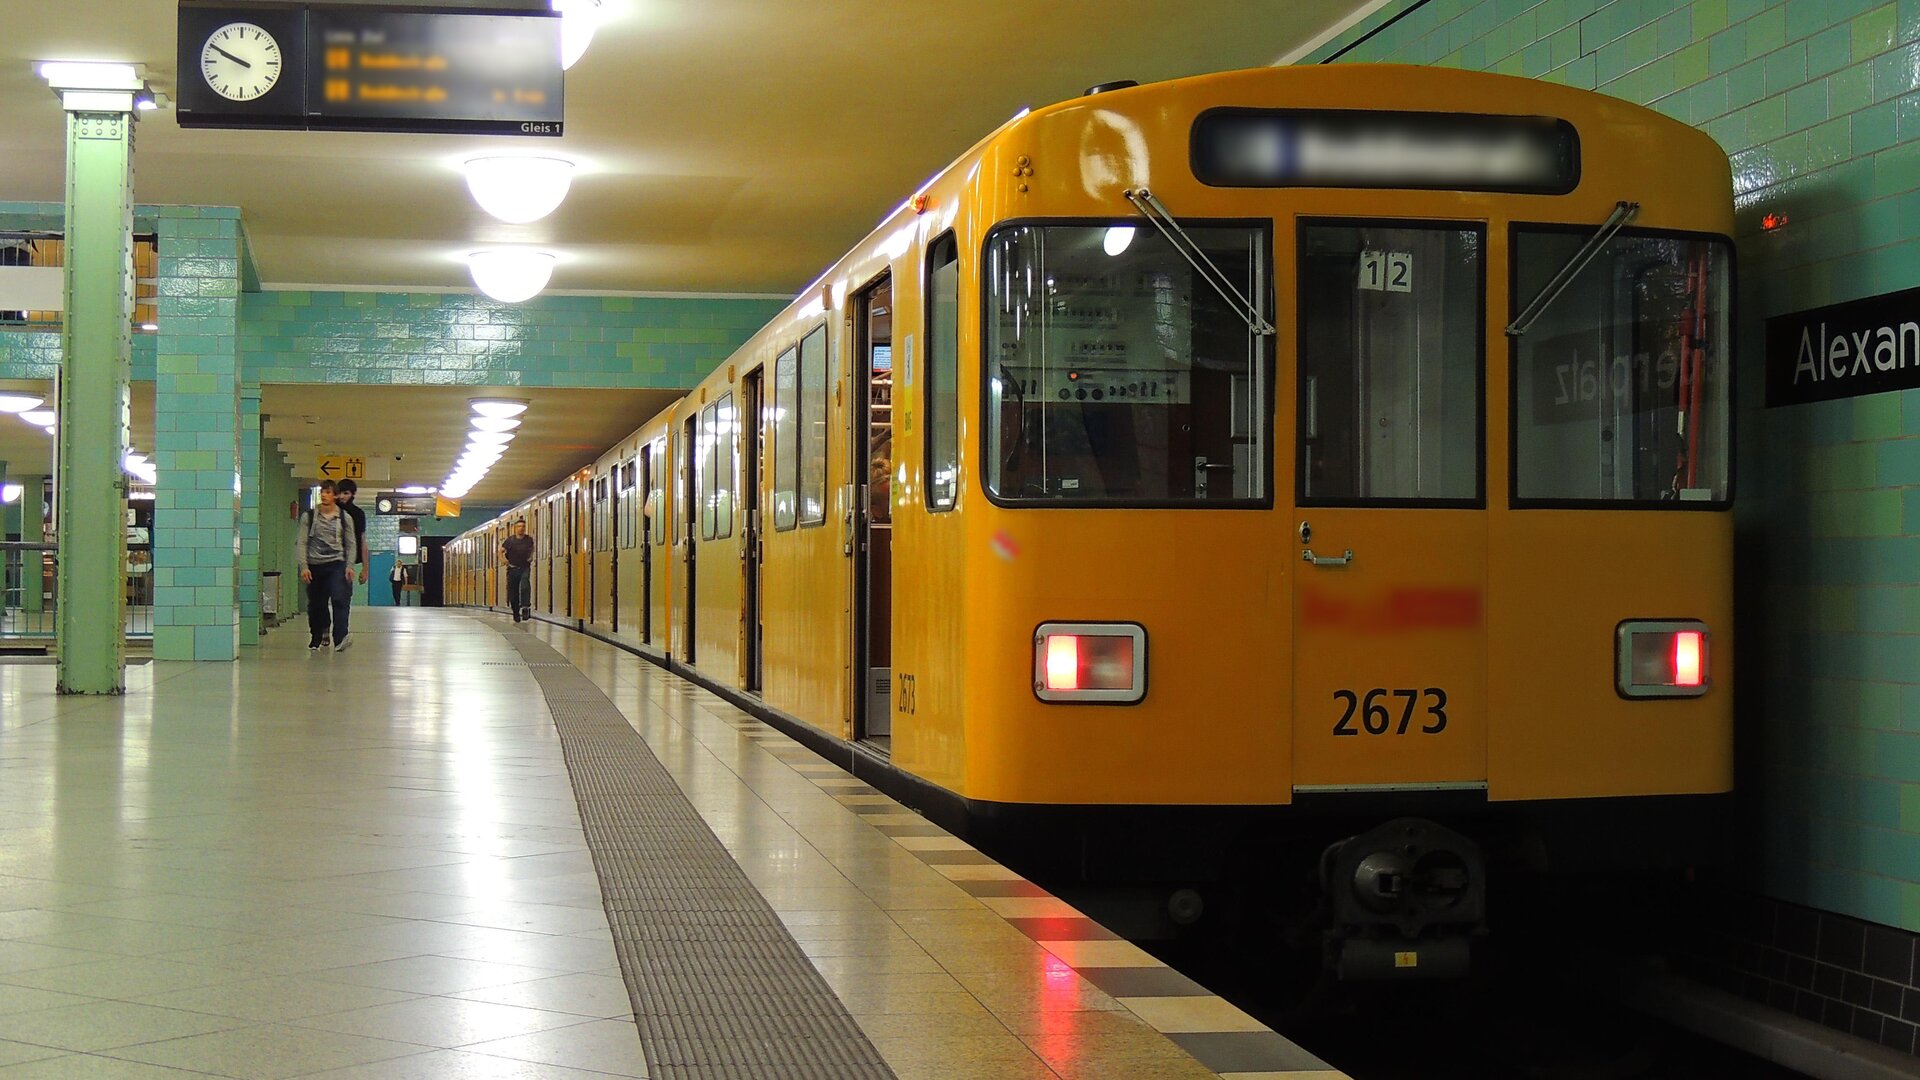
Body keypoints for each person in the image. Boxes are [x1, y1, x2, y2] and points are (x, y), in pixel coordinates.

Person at [295, 480, 360, 651]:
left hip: (337, 564)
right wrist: (304, 566)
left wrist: (350, 566)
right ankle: (316, 635)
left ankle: (340, 639)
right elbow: (301, 542)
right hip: (315, 564)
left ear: (336, 496)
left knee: (340, 599)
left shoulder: (344, 518)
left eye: (329, 492)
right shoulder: (308, 517)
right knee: (317, 604)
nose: (324, 495)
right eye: (323, 491)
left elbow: (351, 544)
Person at [334, 479, 370, 593]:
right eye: (339, 493)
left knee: (343, 595)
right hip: (328, 557)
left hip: (347, 560)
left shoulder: (358, 514)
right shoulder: (329, 512)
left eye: (346, 493)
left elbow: (362, 540)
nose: (342, 497)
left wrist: (365, 569)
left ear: (352, 494)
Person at [502, 518, 535, 623]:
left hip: (524, 567)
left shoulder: (528, 540)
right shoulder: (510, 541)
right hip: (512, 568)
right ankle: (516, 612)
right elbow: (500, 551)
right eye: (519, 527)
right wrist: (504, 561)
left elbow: (532, 549)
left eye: (523, 527)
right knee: (513, 592)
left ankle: (525, 607)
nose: (521, 529)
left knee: (525, 584)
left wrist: (531, 557)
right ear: (515, 528)